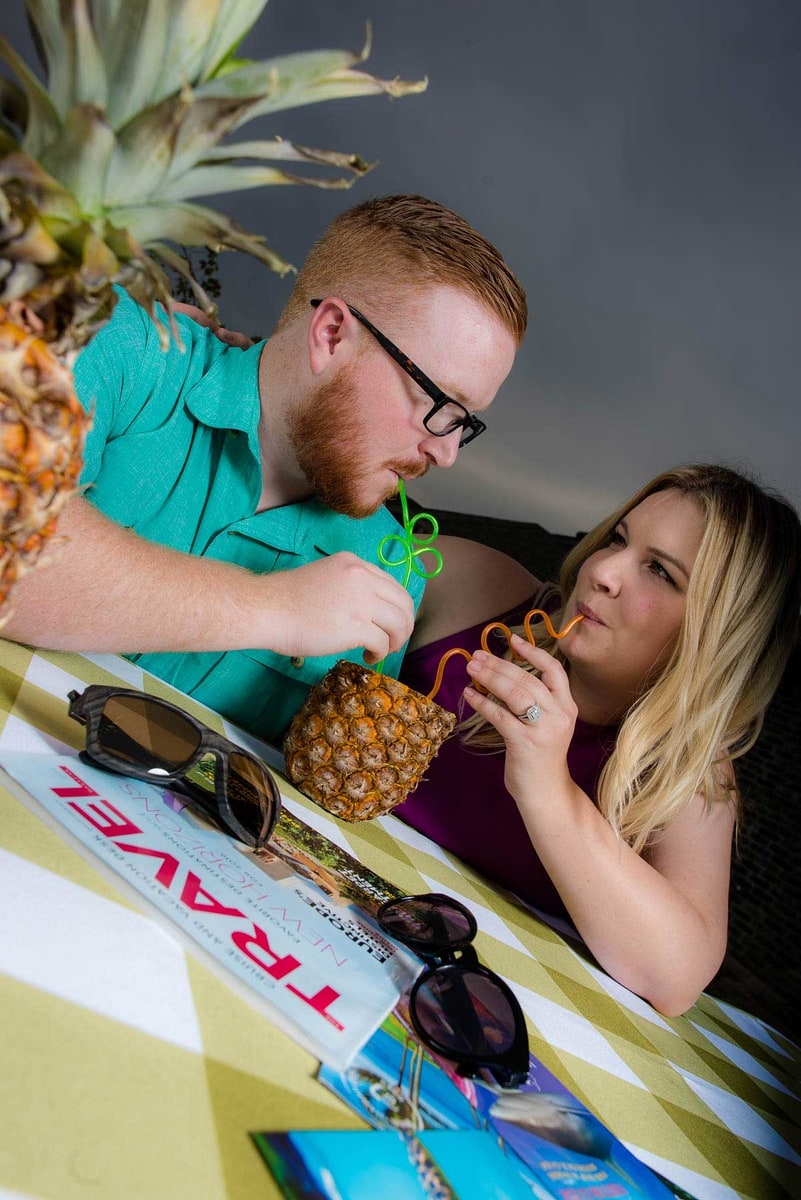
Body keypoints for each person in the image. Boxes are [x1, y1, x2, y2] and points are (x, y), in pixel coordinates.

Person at [2, 195, 526, 742]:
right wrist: (270, 607)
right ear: (330, 336)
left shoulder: (388, 570)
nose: (446, 454)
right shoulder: (121, 344)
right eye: (439, 402)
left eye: (465, 423)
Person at [396, 464, 801, 1015]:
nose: (603, 571)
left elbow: (676, 977)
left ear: (714, 635)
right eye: (618, 538)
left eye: (659, 571)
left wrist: (548, 789)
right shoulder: (485, 594)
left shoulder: (685, 769)